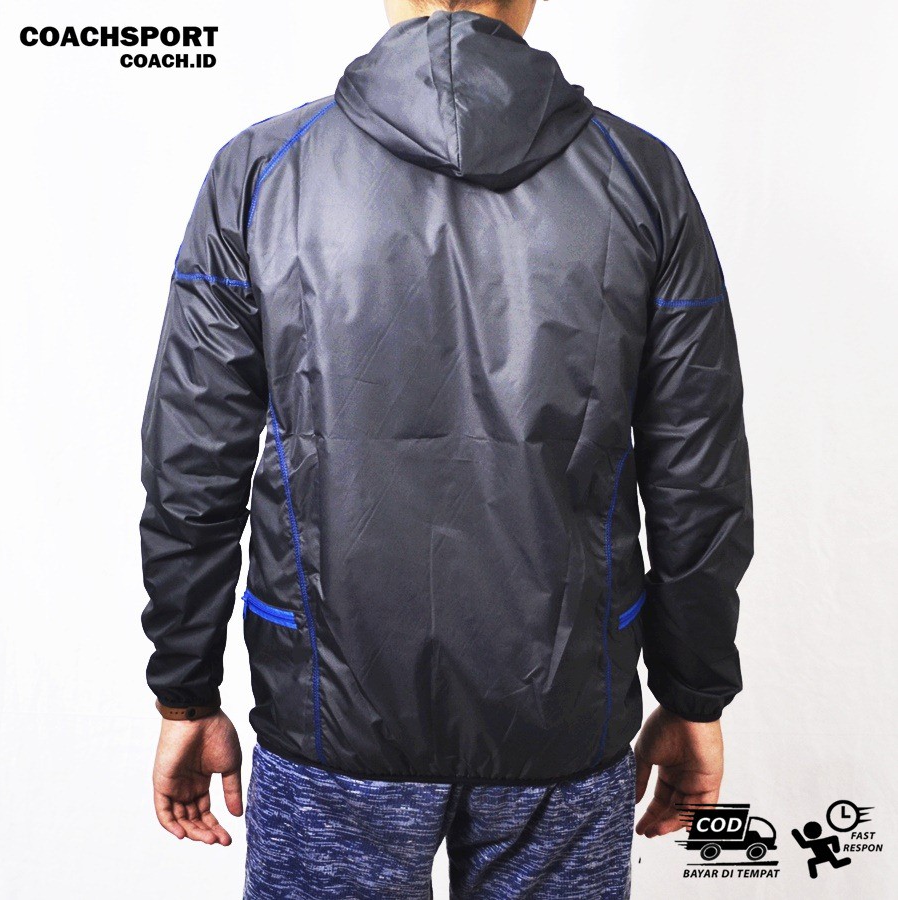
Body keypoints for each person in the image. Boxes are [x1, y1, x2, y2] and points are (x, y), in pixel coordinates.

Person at [140, 0, 753, 896]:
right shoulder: (641, 177)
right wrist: (693, 694)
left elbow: (192, 467)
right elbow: (698, 476)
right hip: (563, 721)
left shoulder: (263, 171)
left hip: (329, 720)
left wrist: (185, 692)